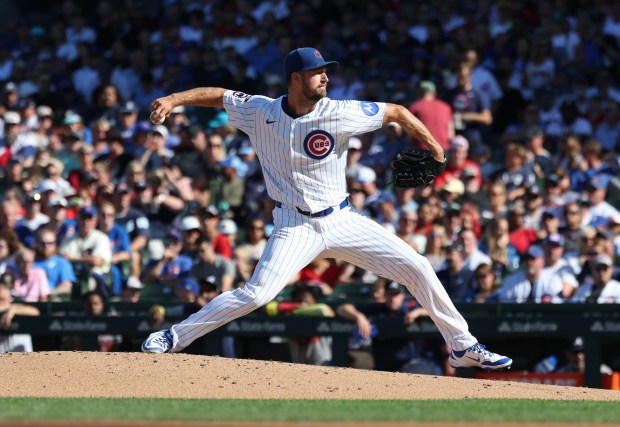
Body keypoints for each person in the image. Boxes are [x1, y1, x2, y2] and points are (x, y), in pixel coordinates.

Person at [141, 47, 511, 370]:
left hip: (341, 220)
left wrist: (436, 147)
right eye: (318, 72)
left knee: (416, 265)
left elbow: (396, 112)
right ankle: (173, 337)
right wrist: (174, 99)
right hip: (293, 225)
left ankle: (462, 346)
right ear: (296, 78)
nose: (325, 77)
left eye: (325, 70)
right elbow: (220, 96)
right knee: (256, 294)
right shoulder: (260, 111)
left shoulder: (340, 112)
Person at [336, 281, 443, 374]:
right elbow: (341, 308)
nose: (393, 298)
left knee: (419, 371)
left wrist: (418, 312)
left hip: (410, 363)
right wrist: (359, 316)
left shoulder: (409, 308)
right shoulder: (378, 308)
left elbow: (438, 311)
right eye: (390, 294)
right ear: (385, 295)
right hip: (383, 368)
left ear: (403, 295)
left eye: (396, 294)